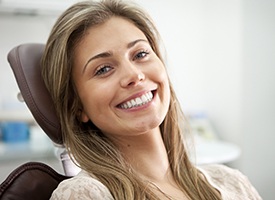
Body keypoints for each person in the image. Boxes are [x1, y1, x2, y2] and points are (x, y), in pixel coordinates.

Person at [41, 0, 262, 199]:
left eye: (140, 54)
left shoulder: (233, 182)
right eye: (104, 69)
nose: (134, 75)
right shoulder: (86, 194)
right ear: (77, 106)